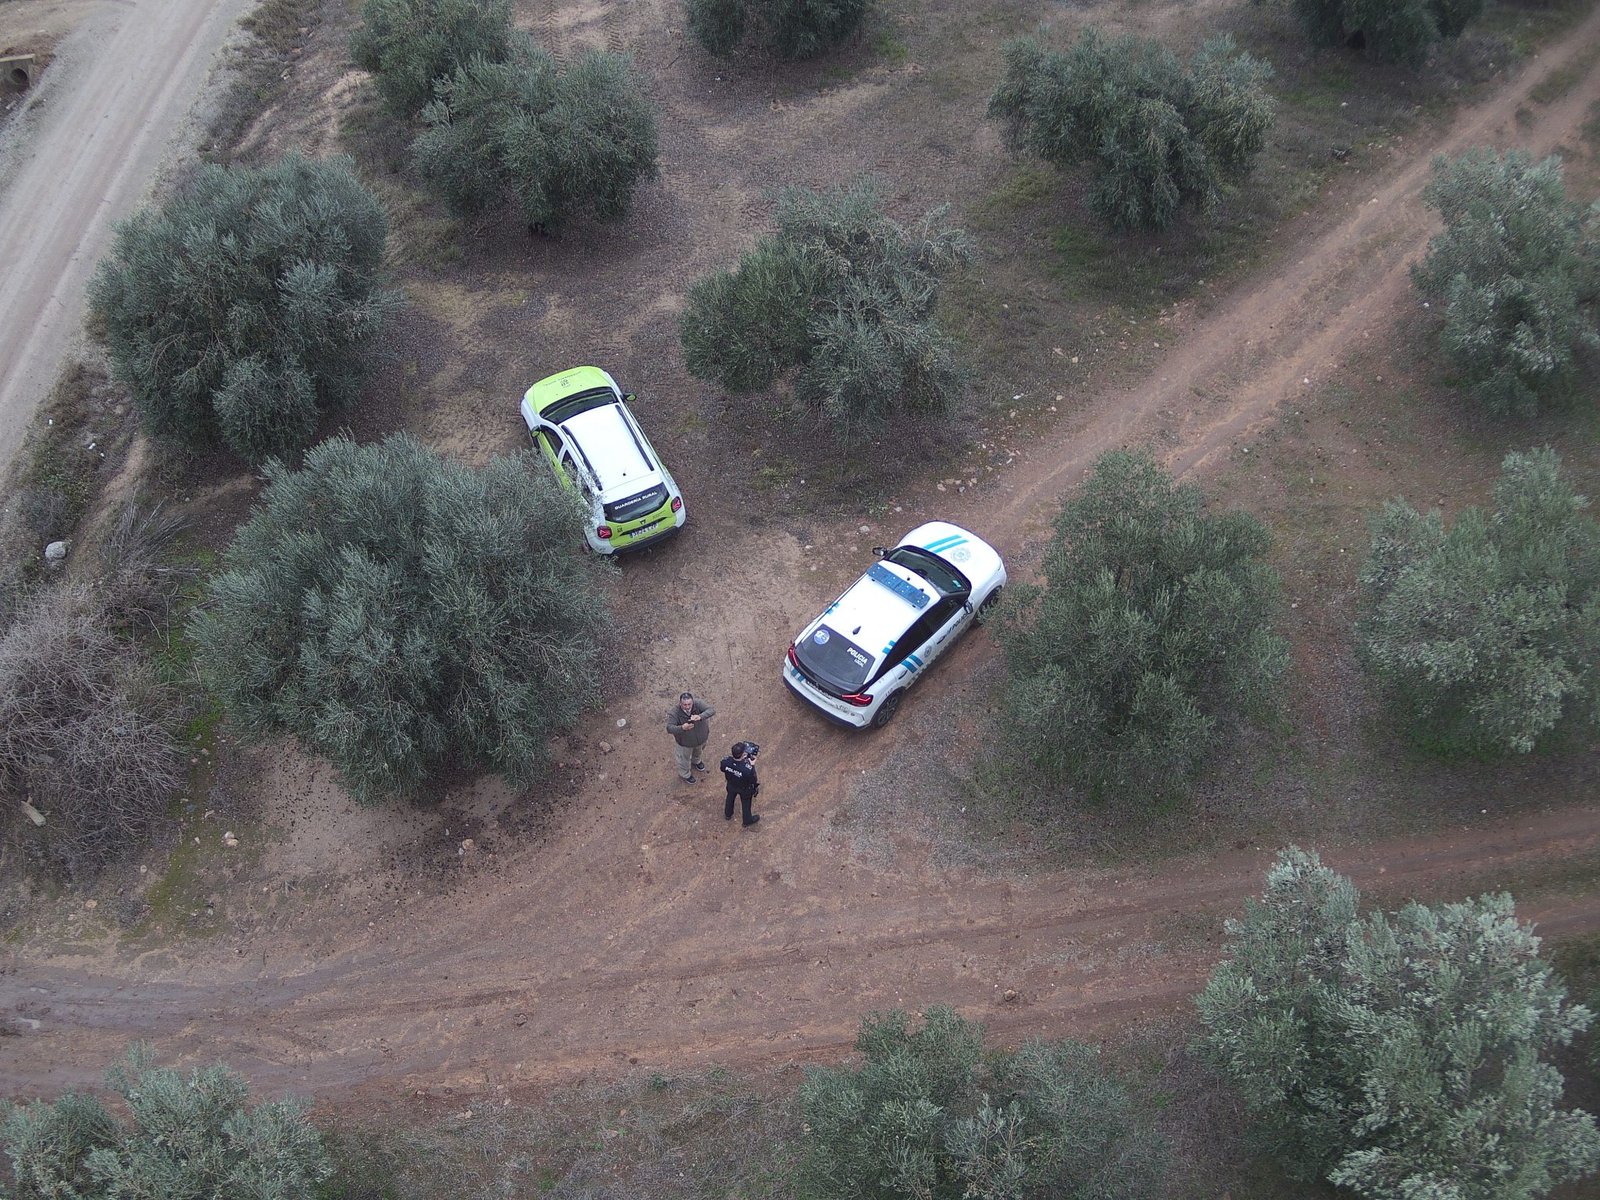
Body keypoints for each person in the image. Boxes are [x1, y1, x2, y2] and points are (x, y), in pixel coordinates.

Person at [665, 691, 715, 782]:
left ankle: (696, 761)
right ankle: (685, 774)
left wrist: (700, 716)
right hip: (685, 744)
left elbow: (711, 710)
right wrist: (682, 728)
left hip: (701, 739)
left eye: (689, 704)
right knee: (684, 760)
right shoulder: (674, 712)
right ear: (680, 703)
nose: (687, 707)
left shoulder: (698, 704)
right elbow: (669, 728)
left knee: (698, 752)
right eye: (684, 705)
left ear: (692, 702)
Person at [720, 742, 760, 827]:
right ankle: (747, 820)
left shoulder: (725, 761)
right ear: (742, 755)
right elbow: (753, 780)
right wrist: (752, 766)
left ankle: (728, 814)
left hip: (731, 785)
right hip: (744, 789)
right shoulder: (747, 769)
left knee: (730, 798)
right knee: (746, 803)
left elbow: (722, 769)